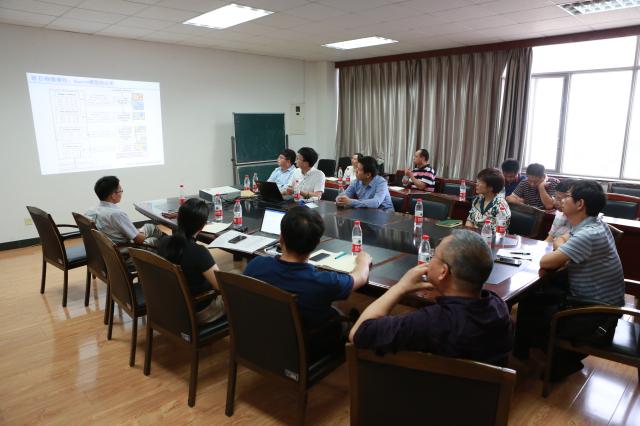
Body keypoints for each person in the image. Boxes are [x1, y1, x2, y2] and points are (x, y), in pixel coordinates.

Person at [350, 230, 513, 366]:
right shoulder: (499, 309)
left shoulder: (431, 322)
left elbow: (358, 333)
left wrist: (400, 288)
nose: (429, 259)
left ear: (443, 271)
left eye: (434, 255)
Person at [514, 180, 624, 380]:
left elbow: (546, 262)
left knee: (532, 302)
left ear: (580, 204)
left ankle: (558, 360)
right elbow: (562, 238)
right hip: (596, 304)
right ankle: (532, 352)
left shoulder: (588, 234)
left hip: (596, 316)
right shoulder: (594, 224)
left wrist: (561, 244)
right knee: (535, 297)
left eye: (567, 197)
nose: (562, 200)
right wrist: (562, 243)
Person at [244, 206, 372, 360]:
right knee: (344, 318)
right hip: (306, 347)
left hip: (261, 340)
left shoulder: (255, 265)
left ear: (281, 237)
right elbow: (361, 277)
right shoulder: (324, 282)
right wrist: (363, 261)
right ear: (317, 243)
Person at [158, 199, 225, 324]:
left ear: (178, 218)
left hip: (170, 307)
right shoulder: (199, 252)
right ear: (202, 226)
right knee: (240, 297)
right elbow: (221, 286)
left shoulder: (164, 242)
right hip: (197, 311)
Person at [87, 176, 163, 247]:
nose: (121, 193)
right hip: (127, 248)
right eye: (120, 191)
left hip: (110, 244)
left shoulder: (92, 210)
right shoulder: (116, 214)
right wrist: (141, 235)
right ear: (113, 195)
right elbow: (139, 240)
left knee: (150, 226)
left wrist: (136, 232)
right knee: (159, 240)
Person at [545, 179, 576, 246]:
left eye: (559, 199)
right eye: (555, 197)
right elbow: (550, 237)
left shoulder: (579, 221)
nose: (555, 202)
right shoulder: (559, 214)